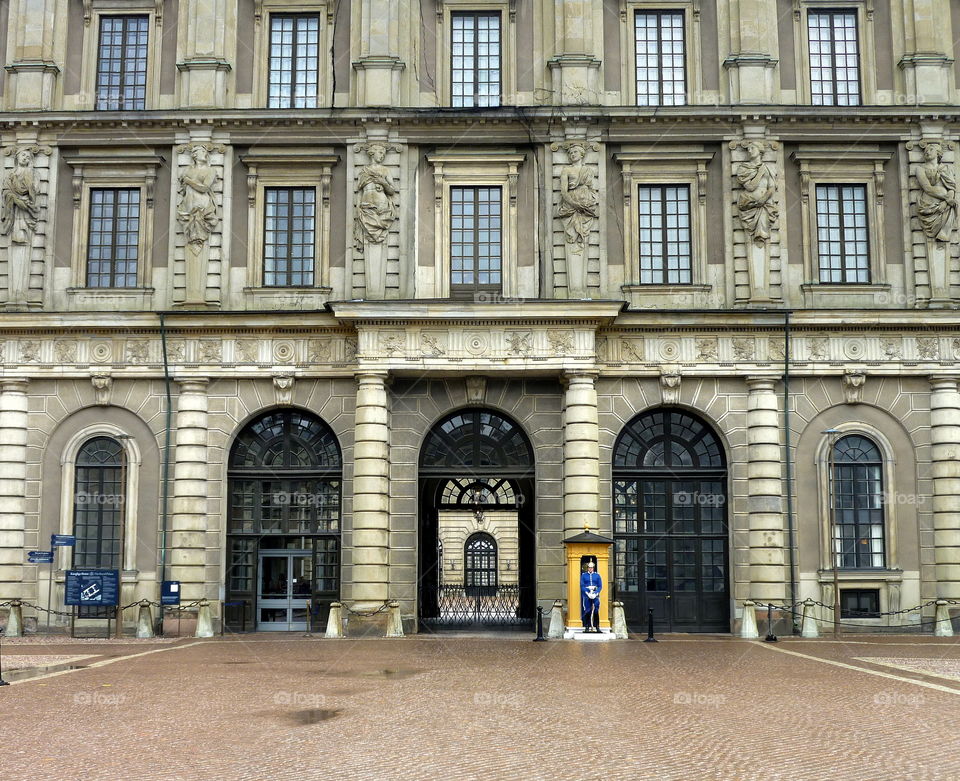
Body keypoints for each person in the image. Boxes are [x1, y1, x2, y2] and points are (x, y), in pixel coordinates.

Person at [580, 559, 602, 633]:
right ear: (587, 568)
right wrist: (587, 593)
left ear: (593, 568)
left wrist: (596, 593)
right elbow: (582, 586)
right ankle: (587, 626)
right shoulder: (583, 576)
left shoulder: (597, 575)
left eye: (591, 567)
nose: (590, 569)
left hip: (595, 595)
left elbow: (600, 586)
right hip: (587, 595)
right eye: (589, 567)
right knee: (587, 611)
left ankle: (597, 627)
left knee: (596, 610)